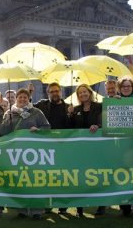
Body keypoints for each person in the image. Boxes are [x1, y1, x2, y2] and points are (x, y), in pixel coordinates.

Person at [0, 88, 50, 219]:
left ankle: (37, 211)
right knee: (19, 180)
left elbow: (47, 127)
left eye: (25, 97)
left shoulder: (36, 112)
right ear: (16, 99)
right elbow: (2, 131)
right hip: (16, 153)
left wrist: (38, 129)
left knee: (34, 181)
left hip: (34, 153)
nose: (22, 99)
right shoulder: (10, 113)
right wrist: (7, 119)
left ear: (29, 99)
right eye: (20, 97)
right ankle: (21, 209)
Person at [33, 82, 71, 215]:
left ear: (60, 92)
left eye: (56, 91)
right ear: (48, 93)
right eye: (52, 91)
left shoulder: (68, 107)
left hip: (63, 147)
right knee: (47, 177)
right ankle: (48, 204)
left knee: (63, 177)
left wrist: (71, 114)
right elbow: (27, 107)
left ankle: (63, 206)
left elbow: (73, 126)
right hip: (46, 147)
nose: (54, 93)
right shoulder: (42, 105)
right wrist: (30, 93)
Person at [70, 84, 102, 217]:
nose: (83, 94)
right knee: (80, 177)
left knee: (98, 175)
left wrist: (98, 126)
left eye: (84, 92)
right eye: (80, 93)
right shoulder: (76, 109)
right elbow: (70, 128)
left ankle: (101, 205)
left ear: (89, 92)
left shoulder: (99, 106)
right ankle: (80, 208)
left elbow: (106, 122)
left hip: (96, 148)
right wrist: (70, 115)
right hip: (80, 149)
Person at [115, 76, 133, 217]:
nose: (126, 88)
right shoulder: (114, 101)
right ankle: (125, 206)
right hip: (121, 146)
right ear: (119, 88)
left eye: (129, 86)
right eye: (123, 86)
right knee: (122, 175)